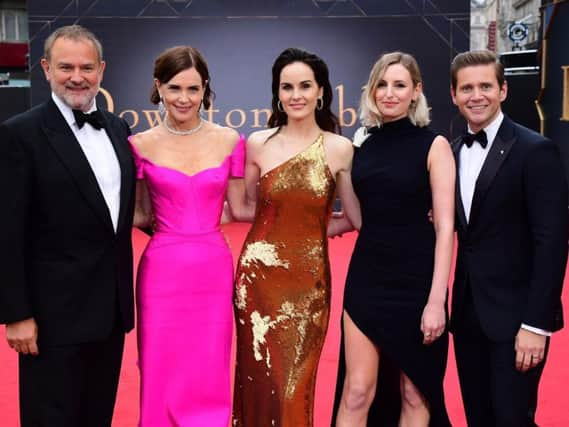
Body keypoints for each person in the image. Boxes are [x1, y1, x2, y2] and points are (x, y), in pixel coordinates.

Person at [0, 25, 135, 426]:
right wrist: (16, 314)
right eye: (65, 67)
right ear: (45, 68)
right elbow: (7, 231)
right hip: (51, 318)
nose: (77, 76)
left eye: (87, 67)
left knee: (97, 417)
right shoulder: (19, 134)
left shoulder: (117, 128)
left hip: (109, 313)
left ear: (102, 70)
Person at [231, 47, 360, 427]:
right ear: (277, 93)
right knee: (257, 379)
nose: (296, 95)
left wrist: (311, 237)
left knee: (293, 386)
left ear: (321, 91)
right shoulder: (257, 143)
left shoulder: (340, 148)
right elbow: (242, 210)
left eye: (305, 85)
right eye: (287, 87)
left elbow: (353, 218)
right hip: (257, 282)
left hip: (308, 285)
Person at [128, 45, 252, 427]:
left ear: (205, 90)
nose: (184, 98)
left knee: (209, 364)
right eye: (175, 88)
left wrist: (315, 215)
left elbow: (242, 209)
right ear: (158, 88)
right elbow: (138, 213)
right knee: (160, 365)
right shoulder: (139, 145)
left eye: (193, 89)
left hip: (212, 268)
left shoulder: (230, 140)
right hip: (161, 271)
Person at [333, 52, 455, 427]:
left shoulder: (434, 146)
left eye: (399, 85)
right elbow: (355, 217)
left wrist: (437, 301)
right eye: (381, 85)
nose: (389, 93)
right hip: (367, 278)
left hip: (418, 283)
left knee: (414, 393)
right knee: (356, 391)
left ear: (416, 91)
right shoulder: (361, 147)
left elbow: (445, 226)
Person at [449, 50, 568, 427]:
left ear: (503, 90)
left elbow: (552, 242)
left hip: (518, 321)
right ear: (453, 95)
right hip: (468, 318)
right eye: (467, 88)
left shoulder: (535, 150)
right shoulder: (451, 153)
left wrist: (536, 325)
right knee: (479, 418)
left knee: (512, 419)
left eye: (486, 86)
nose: (476, 95)